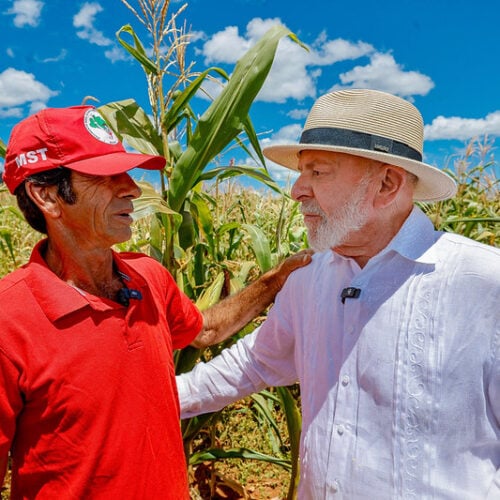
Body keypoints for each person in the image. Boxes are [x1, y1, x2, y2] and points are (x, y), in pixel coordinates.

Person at [177, 89, 500, 499]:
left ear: (387, 184)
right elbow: (256, 363)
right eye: (301, 172)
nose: (296, 191)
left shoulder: (485, 284)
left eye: (318, 172)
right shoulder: (308, 277)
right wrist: (149, 399)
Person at [0, 105, 311, 499]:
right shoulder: (9, 320)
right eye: (105, 176)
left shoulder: (148, 277)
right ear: (46, 195)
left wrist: (275, 279)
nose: (131, 188)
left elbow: (207, 329)